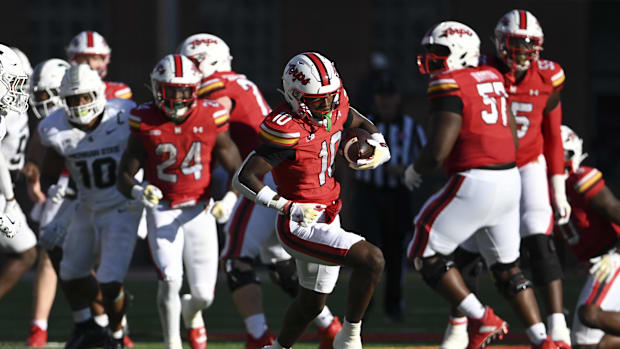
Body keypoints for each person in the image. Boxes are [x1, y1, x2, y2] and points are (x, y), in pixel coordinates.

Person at [179, 33, 343, 349]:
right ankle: (329, 327)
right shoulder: (240, 81)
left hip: (258, 181)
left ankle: (258, 336)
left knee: (237, 259)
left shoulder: (217, 87)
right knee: (280, 263)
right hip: (279, 178)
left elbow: (214, 120)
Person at [404, 21, 556, 348]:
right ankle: (544, 341)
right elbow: (514, 135)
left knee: (421, 250)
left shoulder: (449, 81)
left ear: (461, 53)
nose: (431, 58)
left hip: (475, 180)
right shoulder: (493, 77)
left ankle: (479, 317)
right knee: (507, 269)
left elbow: (438, 149)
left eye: (439, 51)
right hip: (510, 179)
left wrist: (415, 169)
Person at [234, 51, 389, 349]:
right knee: (372, 259)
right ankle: (350, 339)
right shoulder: (287, 129)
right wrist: (287, 206)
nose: (327, 107)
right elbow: (244, 178)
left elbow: (357, 118)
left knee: (311, 304)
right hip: (300, 224)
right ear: (295, 97)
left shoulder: (334, 105)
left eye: (331, 98)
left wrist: (379, 145)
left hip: (331, 213)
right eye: (318, 101)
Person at [440, 10, 572, 349]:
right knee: (467, 243)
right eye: (517, 44)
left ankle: (557, 327)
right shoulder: (481, 69)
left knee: (538, 236)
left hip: (528, 163)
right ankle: (460, 321)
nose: (525, 52)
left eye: (531, 46)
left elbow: (553, 135)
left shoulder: (549, 76)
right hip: (489, 164)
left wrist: (558, 189)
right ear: (500, 43)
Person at [117, 54, 242, 349]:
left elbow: (238, 171)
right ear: (157, 88)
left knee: (203, 295)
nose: (176, 97)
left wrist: (230, 200)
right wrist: (140, 191)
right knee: (170, 279)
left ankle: (192, 314)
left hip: (200, 209)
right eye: (170, 89)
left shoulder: (212, 116)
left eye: (183, 90)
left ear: (195, 89)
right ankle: (173, 343)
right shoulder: (144, 118)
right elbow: (124, 176)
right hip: (162, 209)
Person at [38, 64, 139, 349]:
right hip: (85, 203)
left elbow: (145, 153)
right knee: (70, 274)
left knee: (109, 280)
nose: (79, 104)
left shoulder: (122, 115)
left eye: (84, 97)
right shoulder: (55, 128)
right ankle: (107, 311)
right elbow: (49, 174)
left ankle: (117, 336)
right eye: (72, 99)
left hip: (123, 206)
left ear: (98, 94)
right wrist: (56, 193)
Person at [352, 73, 426, 323]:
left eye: (389, 96)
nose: (385, 102)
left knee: (395, 253)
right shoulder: (365, 125)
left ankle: (393, 305)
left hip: (397, 196)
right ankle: (364, 305)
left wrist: (405, 170)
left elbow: (425, 160)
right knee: (367, 251)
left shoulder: (411, 127)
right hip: (368, 195)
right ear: (375, 99)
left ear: (398, 99)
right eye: (381, 96)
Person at [554, 125, 620, 349]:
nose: (558, 160)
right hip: (598, 262)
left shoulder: (581, 179)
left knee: (589, 314)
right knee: (585, 343)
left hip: (613, 256)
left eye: (563, 153)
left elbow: (616, 212)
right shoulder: (543, 191)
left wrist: (616, 254)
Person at [0, 44, 37, 301]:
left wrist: (21, 166)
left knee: (26, 252)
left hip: (6, 188)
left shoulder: (13, 109)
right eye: (14, 82)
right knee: (26, 252)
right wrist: (11, 199)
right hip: (3, 194)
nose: (20, 90)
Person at [66, 30, 132, 100]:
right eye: (84, 59)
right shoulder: (64, 91)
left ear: (105, 60)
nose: (90, 64)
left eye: (95, 58)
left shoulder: (118, 92)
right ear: (73, 60)